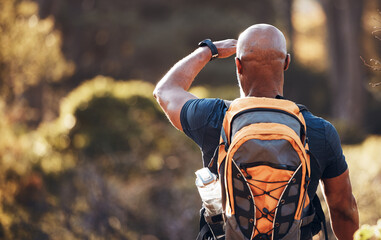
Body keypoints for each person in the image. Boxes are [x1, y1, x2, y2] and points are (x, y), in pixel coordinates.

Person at [153, 24, 359, 239]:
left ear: (238, 65)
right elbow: (343, 209)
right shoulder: (318, 130)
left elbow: (165, 91)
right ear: (286, 62)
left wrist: (209, 50)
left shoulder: (213, 117)